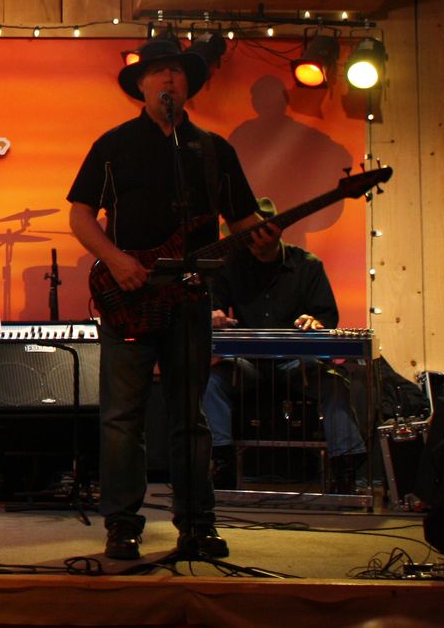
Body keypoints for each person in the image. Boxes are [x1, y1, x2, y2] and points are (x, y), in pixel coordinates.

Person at [68, 38, 278, 561]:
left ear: (189, 85)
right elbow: (80, 215)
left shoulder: (212, 150)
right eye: (158, 72)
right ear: (140, 84)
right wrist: (117, 259)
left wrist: (265, 239)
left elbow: (243, 219)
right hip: (130, 296)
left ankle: (197, 523)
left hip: (190, 298)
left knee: (190, 416)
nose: (168, 80)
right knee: (123, 417)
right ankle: (122, 525)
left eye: (177, 72)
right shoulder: (114, 144)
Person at [207, 198, 367, 493]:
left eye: (261, 236)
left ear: (277, 232)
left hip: (297, 365)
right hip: (248, 365)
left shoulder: (308, 265)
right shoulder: (231, 267)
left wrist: (314, 321)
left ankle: (345, 466)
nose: (256, 244)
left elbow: (326, 317)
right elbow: (212, 306)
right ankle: (222, 462)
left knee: (334, 384)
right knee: (210, 382)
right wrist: (213, 314)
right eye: (248, 238)